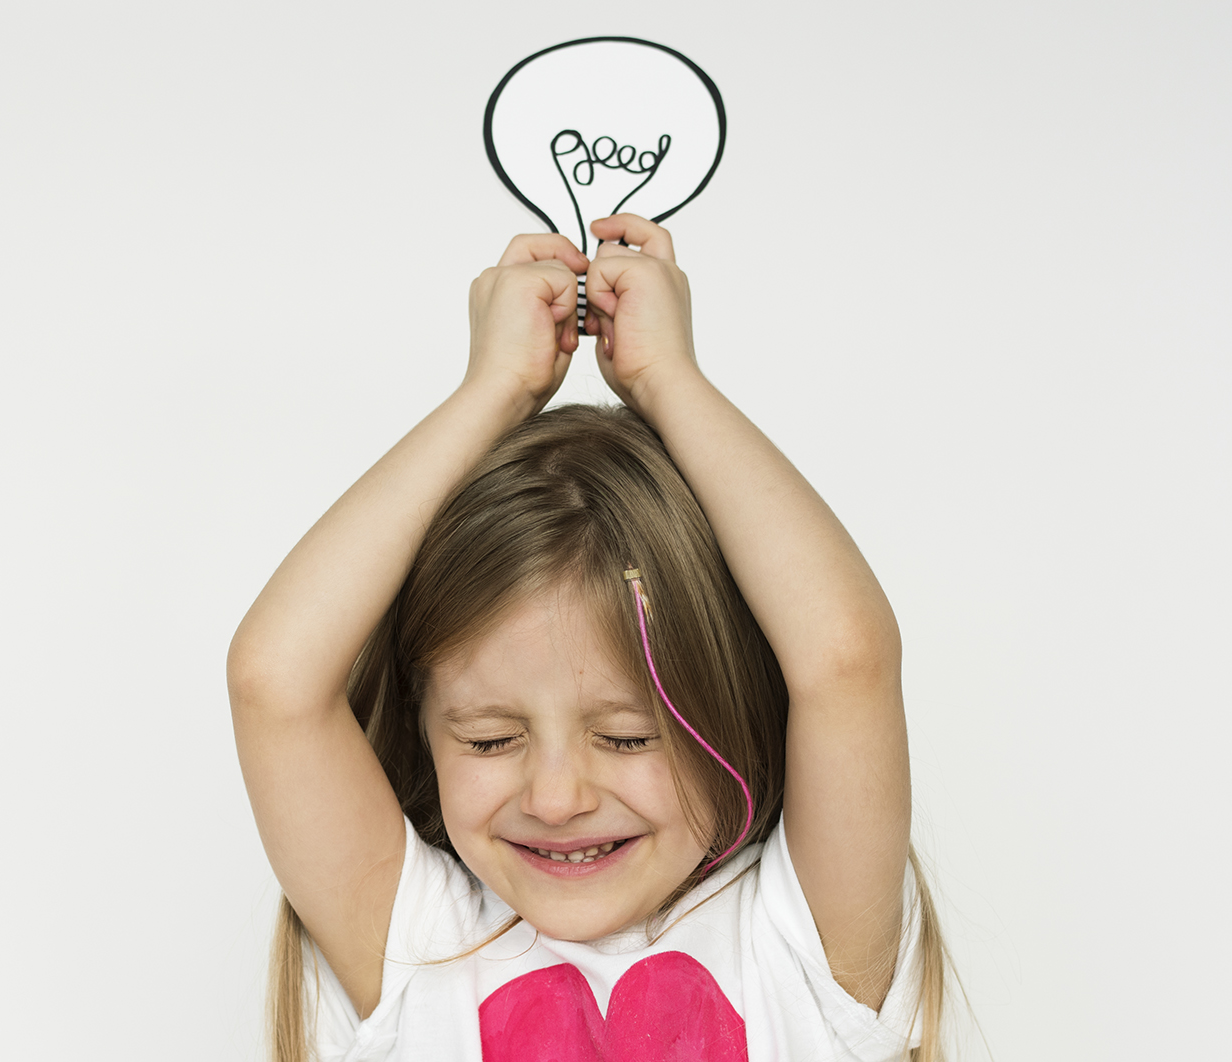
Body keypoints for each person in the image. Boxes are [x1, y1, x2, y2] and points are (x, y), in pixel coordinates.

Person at [228, 214, 950, 1061]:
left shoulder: (798, 951)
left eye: (626, 735)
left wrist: (667, 379)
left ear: (732, 714)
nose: (556, 797)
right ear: (426, 736)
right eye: (492, 740)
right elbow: (275, 682)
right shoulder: (421, 951)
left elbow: (846, 659)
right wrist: (490, 391)